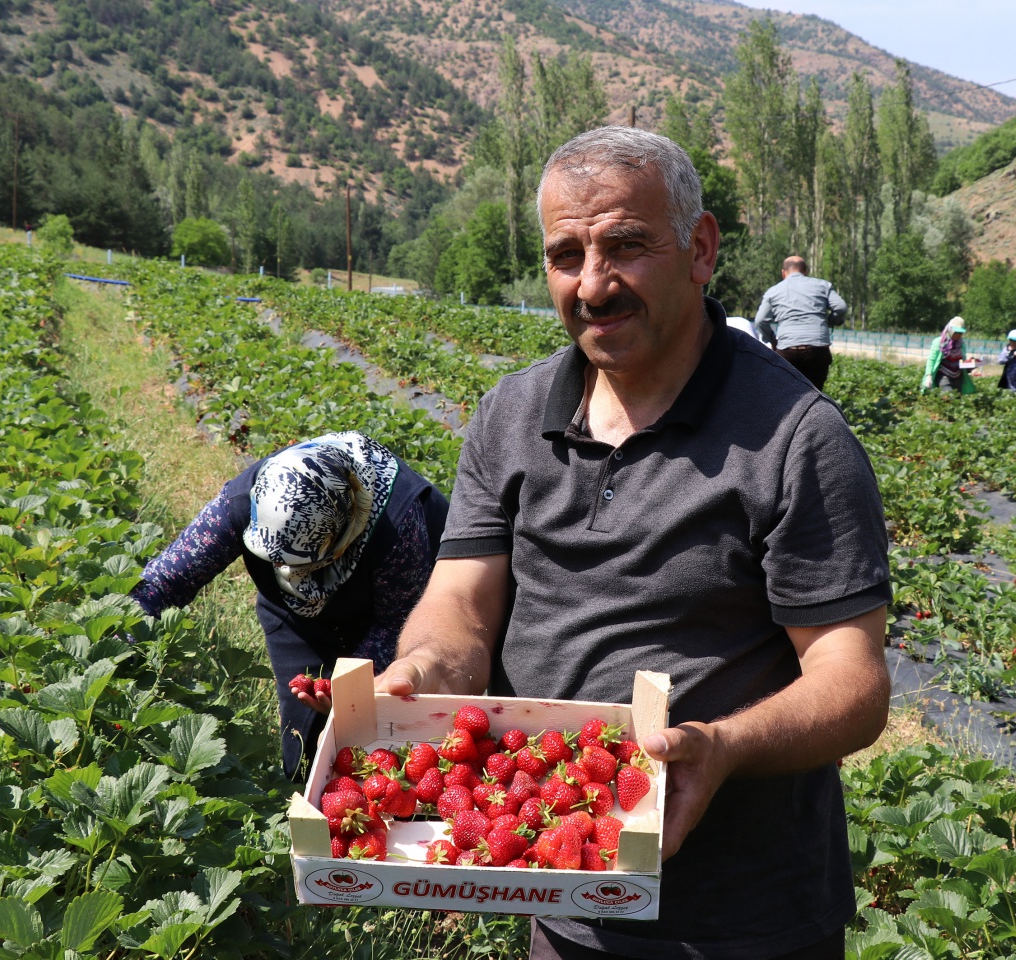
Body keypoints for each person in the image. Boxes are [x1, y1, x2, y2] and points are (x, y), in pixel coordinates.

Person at [377, 127, 891, 960]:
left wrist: (720, 748)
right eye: (565, 255)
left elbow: (854, 681)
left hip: (747, 920)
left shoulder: (795, 437)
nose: (593, 284)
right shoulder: (511, 415)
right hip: (564, 889)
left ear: (700, 249)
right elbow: (461, 600)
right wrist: (428, 670)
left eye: (624, 246)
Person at [130, 431, 448, 779]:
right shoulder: (243, 502)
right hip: (296, 620)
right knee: (303, 742)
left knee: (387, 741)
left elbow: (397, 626)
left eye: (301, 563)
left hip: (401, 613)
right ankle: (302, 804)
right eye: (275, 560)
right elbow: (164, 582)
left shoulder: (398, 526)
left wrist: (351, 685)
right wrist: (120, 639)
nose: (285, 572)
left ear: (341, 536)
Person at [753, 255, 848, 390]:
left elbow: (760, 320)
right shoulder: (823, 286)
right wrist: (829, 322)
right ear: (805, 271)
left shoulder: (773, 291)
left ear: (783, 273)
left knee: (786, 396)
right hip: (817, 349)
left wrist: (772, 340)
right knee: (815, 395)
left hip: (787, 350)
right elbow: (841, 307)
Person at [921, 317, 977, 394]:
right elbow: (931, 360)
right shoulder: (939, 343)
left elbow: (962, 362)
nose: (958, 335)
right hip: (943, 377)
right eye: (956, 332)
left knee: (956, 400)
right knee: (948, 396)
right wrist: (929, 376)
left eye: (960, 333)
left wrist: (971, 368)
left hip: (958, 378)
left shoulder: (961, 344)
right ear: (950, 330)